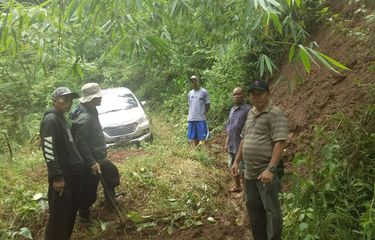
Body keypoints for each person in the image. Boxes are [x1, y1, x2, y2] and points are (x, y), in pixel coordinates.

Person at [231, 80, 288, 240]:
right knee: (254, 209)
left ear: (268, 94)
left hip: (265, 174)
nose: (256, 98)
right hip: (249, 173)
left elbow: (280, 142)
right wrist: (236, 161)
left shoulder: (275, 114)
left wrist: (270, 169)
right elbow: (243, 138)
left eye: (259, 94)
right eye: (253, 94)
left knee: (271, 211)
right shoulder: (251, 113)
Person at [71, 83, 121, 222]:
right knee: (88, 187)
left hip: (96, 156)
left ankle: (110, 200)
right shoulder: (84, 118)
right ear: (91, 99)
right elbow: (80, 143)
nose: (101, 99)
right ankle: (83, 215)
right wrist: (91, 162)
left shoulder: (90, 110)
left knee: (110, 172)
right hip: (89, 160)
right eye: (98, 97)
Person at [40, 87, 83, 240]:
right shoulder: (51, 120)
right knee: (59, 216)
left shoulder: (61, 118)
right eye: (64, 99)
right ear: (55, 101)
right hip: (63, 177)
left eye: (71, 100)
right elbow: (49, 149)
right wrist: (57, 176)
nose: (68, 103)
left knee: (69, 212)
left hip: (72, 174)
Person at [225, 87, 251, 194]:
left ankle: (245, 192)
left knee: (243, 169)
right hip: (232, 144)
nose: (236, 96)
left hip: (242, 145)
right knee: (232, 166)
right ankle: (237, 185)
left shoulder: (248, 110)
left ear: (244, 95)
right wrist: (226, 143)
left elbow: (249, 129)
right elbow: (229, 128)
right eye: (235, 94)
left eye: (239, 94)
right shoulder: (232, 110)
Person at [187, 75, 210, 146]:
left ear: (198, 81)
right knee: (194, 138)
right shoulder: (190, 93)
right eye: (192, 81)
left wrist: (202, 113)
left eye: (195, 80)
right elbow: (190, 105)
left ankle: (205, 152)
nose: (193, 82)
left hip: (201, 119)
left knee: (204, 137)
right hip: (191, 118)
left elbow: (208, 105)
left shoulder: (204, 92)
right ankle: (197, 152)